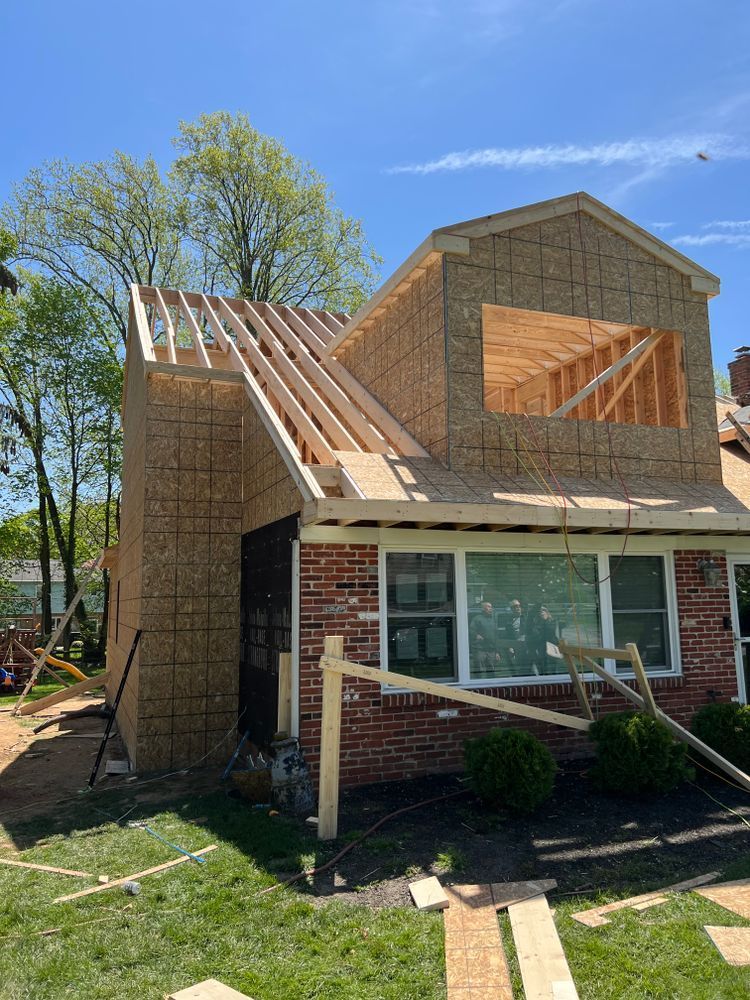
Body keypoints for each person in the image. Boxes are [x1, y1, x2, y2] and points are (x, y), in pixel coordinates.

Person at [470, 601, 502, 674]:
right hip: (480, 649)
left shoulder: (493, 620)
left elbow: (496, 636)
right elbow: (471, 631)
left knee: (491, 671)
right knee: (479, 671)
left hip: (491, 650)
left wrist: (497, 652)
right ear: (483, 608)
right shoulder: (477, 619)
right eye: (488, 606)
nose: (491, 608)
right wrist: (476, 635)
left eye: (491, 607)